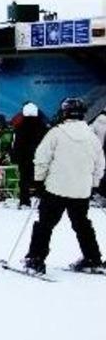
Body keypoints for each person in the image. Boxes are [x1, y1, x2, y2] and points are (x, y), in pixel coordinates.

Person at [23, 98, 106, 274]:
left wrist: (38, 181)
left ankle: (36, 258)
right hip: (81, 191)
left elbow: (42, 158)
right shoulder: (92, 136)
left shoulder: (56, 133)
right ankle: (93, 258)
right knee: (82, 225)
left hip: (56, 188)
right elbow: (100, 165)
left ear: (64, 113)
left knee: (45, 224)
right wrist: (93, 185)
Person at [12, 102, 49, 208]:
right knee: (41, 179)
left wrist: (15, 157)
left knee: (24, 180)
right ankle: (43, 202)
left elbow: (16, 144)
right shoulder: (43, 128)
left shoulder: (20, 127)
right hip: (39, 157)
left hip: (24, 158)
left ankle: (24, 201)